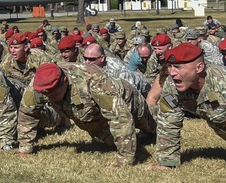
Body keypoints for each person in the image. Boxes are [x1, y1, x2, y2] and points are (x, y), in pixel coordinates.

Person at [18, 63, 155, 167]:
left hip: (124, 97)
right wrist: (25, 148)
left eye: (53, 93)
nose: (49, 97)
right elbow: (27, 114)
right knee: (111, 142)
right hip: (92, 116)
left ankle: (162, 118)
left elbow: (119, 117)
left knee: (152, 126)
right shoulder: (39, 86)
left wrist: (124, 161)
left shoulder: (92, 79)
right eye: (45, 94)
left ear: (65, 81)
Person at [148, 42, 226, 168]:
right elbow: (168, 121)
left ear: (199, 68)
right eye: (170, 66)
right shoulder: (171, 85)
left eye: (178, 67)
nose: (172, 72)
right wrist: (167, 162)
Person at [83, 43, 150, 96]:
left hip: (141, 89)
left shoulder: (118, 70)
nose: (87, 62)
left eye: (91, 59)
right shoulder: (86, 65)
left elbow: (130, 93)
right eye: (85, 58)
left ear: (102, 58)